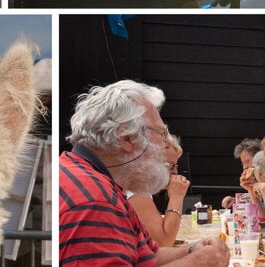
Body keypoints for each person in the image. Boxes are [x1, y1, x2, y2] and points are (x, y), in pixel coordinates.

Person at [59, 80, 230, 266]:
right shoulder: (96, 201)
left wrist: (192, 250)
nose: (166, 144)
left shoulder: (95, 180)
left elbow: (146, 256)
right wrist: (196, 262)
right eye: (161, 133)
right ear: (127, 138)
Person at [128, 133, 191, 248]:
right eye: (170, 165)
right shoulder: (135, 192)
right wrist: (176, 197)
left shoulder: (141, 189)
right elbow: (163, 244)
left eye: (176, 166)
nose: (175, 172)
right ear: (150, 163)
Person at [222, 138, 261, 208]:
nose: (244, 167)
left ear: (259, 157)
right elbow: (259, 201)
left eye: (248, 161)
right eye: (242, 163)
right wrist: (236, 200)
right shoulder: (254, 178)